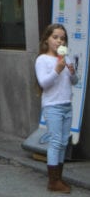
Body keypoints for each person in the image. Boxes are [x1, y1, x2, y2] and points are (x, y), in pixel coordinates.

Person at [36, 23, 78, 193]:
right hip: (52, 106)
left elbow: (74, 82)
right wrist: (57, 70)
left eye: (62, 38)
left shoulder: (66, 59)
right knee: (55, 142)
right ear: (47, 40)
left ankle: (59, 177)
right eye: (55, 37)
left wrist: (73, 72)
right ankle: (53, 181)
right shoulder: (42, 59)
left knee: (62, 142)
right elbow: (44, 83)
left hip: (67, 104)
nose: (59, 41)